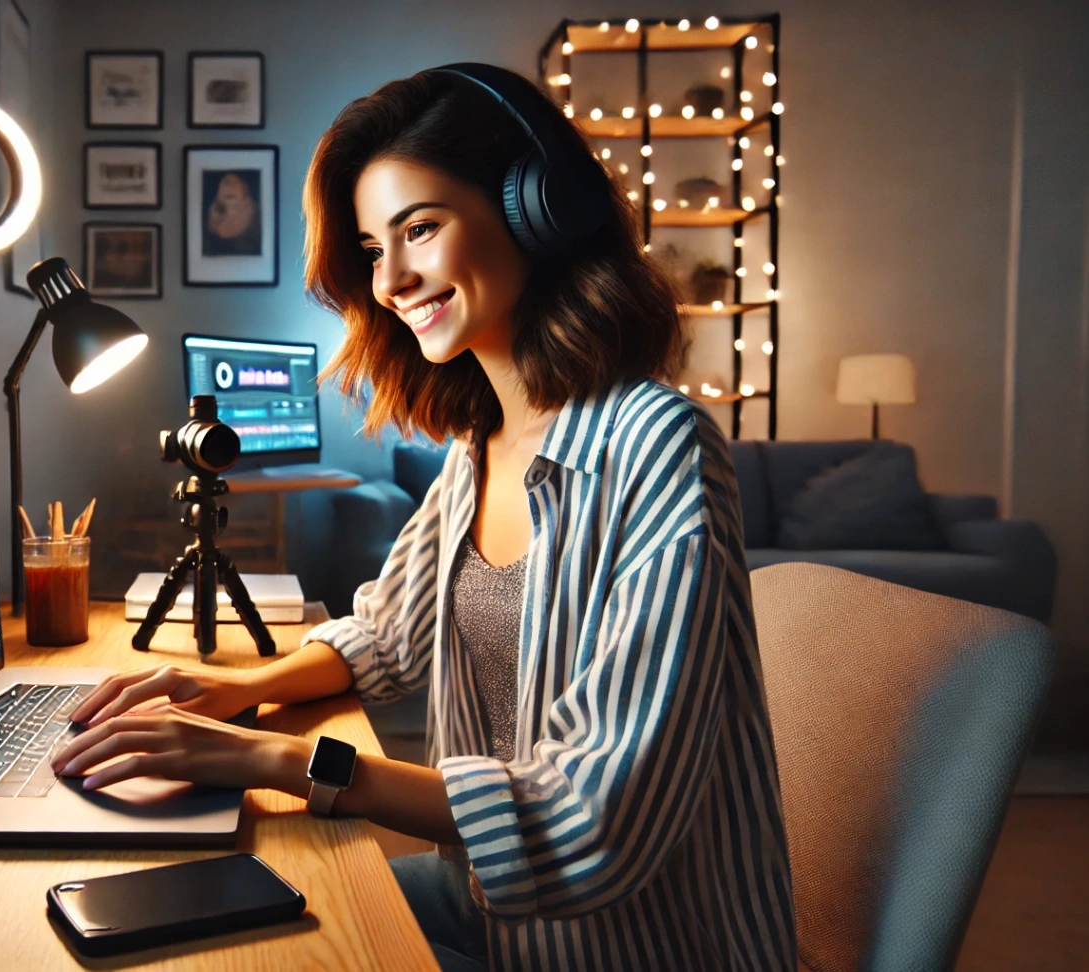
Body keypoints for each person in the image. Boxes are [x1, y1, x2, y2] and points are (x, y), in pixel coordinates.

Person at [51, 66, 795, 972]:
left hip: (628, 949)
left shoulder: (659, 447)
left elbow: (593, 821)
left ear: (537, 211)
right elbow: (386, 635)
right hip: (494, 920)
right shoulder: (481, 444)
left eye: (420, 228)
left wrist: (277, 762)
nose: (392, 279)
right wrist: (237, 694)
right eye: (372, 248)